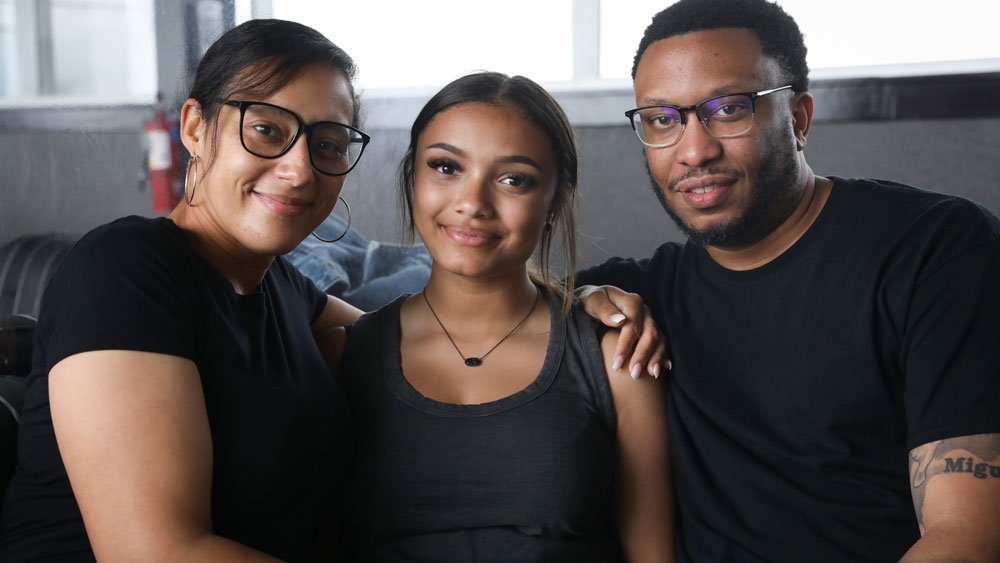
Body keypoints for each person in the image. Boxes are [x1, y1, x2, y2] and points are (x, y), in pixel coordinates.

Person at [576, 0, 1000, 561]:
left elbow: (966, 536)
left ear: (798, 119)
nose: (694, 150)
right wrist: (574, 298)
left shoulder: (937, 248)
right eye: (662, 119)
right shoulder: (642, 300)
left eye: (729, 109)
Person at [0, 19, 370, 561]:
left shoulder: (287, 290)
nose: (299, 170)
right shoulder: (123, 269)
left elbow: (406, 336)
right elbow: (154, 552)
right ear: (196, 128)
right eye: (267, 129)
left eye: (328, 144)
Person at [337, 72, 674, 562]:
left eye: (514, 179)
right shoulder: (343, 355)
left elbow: (651, 555)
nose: (472, 204)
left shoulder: (614, 356)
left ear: (555, 202)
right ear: (414, 178)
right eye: (446, 167)